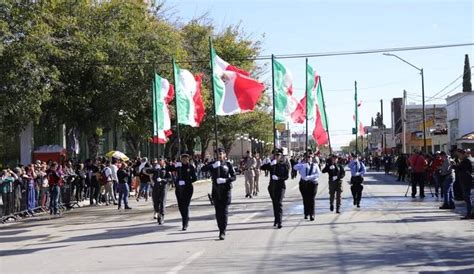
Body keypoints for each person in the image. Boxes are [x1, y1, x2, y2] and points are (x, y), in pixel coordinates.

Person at [201, 148, 236, 240]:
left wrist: (225, 180)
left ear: (224, 154)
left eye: (221, 154)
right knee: (218, 213)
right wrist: (212, 166)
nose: (219, 155)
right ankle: (220, 228)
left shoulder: (228, 164)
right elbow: (203, 169)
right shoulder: (213, 164)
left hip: (225, 190)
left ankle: (222, 231)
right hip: (216, 191)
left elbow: (234, 177)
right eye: (217, 154)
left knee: (224, 212)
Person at [260, 148, 289, 229]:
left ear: (281, 156)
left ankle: (279, 222)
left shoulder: (284, 165)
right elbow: (262, 167)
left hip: (281, 187)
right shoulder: (272, 164)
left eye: (278, 155)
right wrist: (270, 164)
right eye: (275, 155)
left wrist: (279, 178)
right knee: (275, 204)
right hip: (272, 187)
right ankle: (276, 219)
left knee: (279, 203)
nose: (276, 156)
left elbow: (286, 176)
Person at [169, 153, 197, 231]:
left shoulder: (190, 167)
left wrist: (186, 182)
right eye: (183, 159)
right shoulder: (178, 166)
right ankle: (186, 217)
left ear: (188, 159)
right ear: (181, 159)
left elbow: (195, 178)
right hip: (179, 189)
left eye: (186, 159)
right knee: (181, 206)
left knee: (185, 205)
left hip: (188, 188)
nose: (184, 160)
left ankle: (184, 223)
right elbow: (168, 169)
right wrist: (174, 165)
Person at [293, 150, 320, 221]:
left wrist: (310, 177)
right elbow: (294, 167)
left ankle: (312, 214)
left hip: (313, 183)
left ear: (312, 158)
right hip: (303, 184)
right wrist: (301, 164)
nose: (309, 158)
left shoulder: (315, 165)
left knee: (312, 199)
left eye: (310, 157)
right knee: (305, 199)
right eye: (307, 157)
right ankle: (306, 213)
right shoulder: (302, 165)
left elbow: (318, 174)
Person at [145, 157, 172, 224]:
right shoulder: (156, 168)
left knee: (162, 201)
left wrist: (163, 180)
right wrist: (153, 169)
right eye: (158, 160)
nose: (159, 162)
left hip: (163, 187)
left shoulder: (166, 169)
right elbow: (146, 171)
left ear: (163, 161)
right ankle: (157, 211)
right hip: (156, 187)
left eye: (160, 160)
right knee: (155, 202)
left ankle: (161, 216)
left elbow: (170, 179)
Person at [454, 149, 473, 219]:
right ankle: (470, 213)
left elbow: (460, 169)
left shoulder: (466, 161)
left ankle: (469, 214)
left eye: (459, 155)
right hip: (467, 181)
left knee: (467, 198)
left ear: (463, 154)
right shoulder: (469, 160)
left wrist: (454, 165)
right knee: (469, 198)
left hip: (466, 181)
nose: (459, 157)